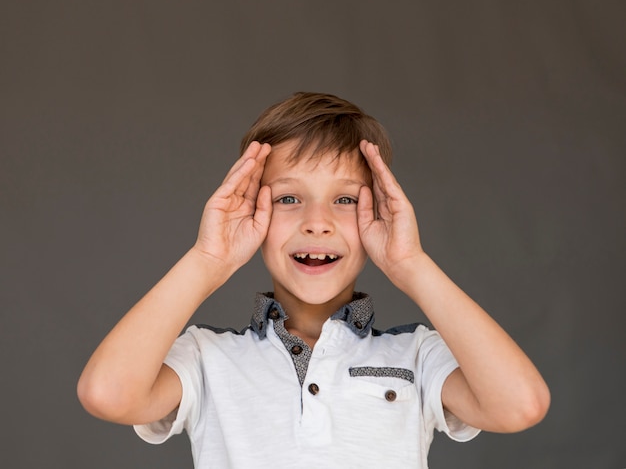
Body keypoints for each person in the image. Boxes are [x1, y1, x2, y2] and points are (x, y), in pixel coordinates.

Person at [77, 92, 550, 468]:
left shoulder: (416, 357)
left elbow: (520, 405)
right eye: (288, 199)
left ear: (379, 212)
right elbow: (108, 394)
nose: (317, 222)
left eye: (345, 200)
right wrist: (207, 260)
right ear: (250, 211)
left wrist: (411, 264)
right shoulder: (208, 359)